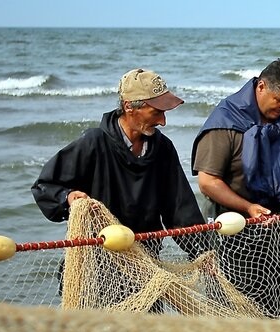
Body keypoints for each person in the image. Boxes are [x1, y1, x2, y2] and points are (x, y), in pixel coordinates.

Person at [32, 68, 207, 260]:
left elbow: (180, 208)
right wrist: (68, 197)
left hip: (145, 261)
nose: (163, 121)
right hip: (96, 261)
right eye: (156, 112)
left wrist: (201, 252)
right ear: (129, 107)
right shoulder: (94, 143)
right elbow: (44, 187)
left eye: (164, 113)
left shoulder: (163, 148)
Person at [192, 58, 280, 318]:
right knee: (227, 305)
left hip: (273, 230)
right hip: (228, 228)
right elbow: (208, 182)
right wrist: (247, 207)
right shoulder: (225, 121)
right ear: (261, 87)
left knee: (271, 305)